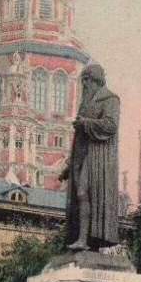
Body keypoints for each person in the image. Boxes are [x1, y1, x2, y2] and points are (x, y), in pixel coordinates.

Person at [58, 64, 120, 251]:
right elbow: (78, 139)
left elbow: (110, 125)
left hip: (98, 158)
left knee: (84, 193)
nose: (84, 85)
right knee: (81, 195)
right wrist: (68, 167)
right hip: (81, 157)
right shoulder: (85, 103)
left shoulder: (110, 99)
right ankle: (83, 239)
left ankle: (85, 239)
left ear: (96, 80)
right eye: (82, 81)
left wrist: (86, 123)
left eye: (87, 80)